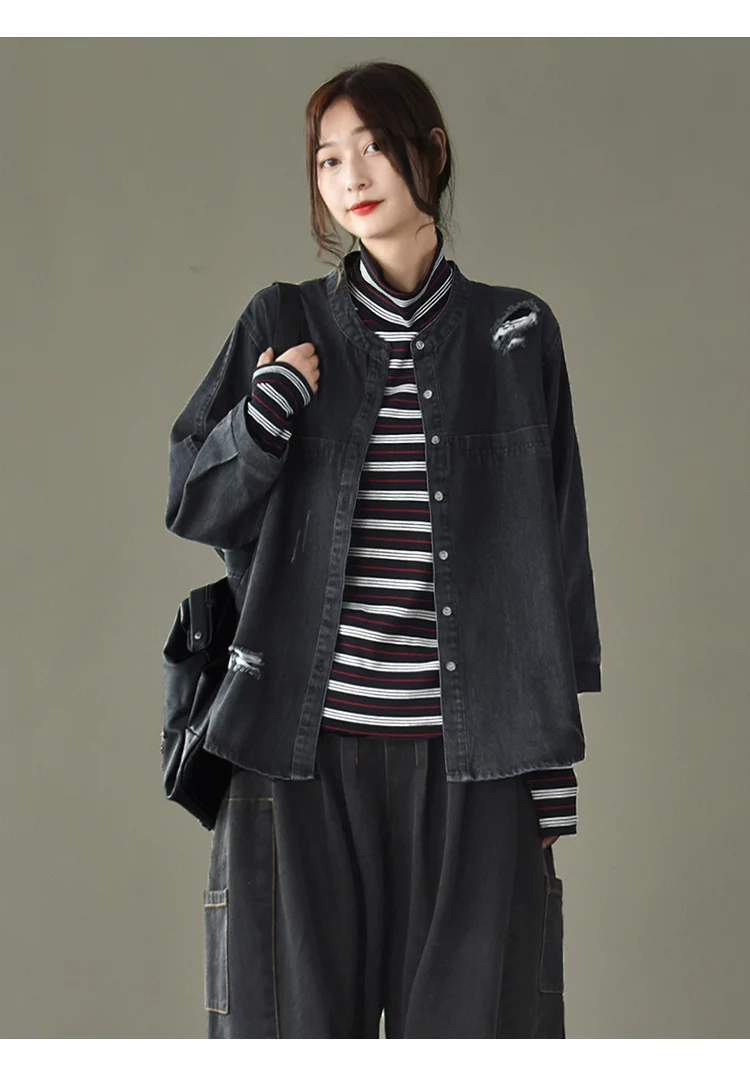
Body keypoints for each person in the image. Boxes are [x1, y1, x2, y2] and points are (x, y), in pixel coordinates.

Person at [165, 61, 602, 1039]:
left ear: (430, 152)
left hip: (477, 764)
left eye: (372, 146)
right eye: (328, 158)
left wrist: (552, 755)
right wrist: (266, 416)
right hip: (296, 762)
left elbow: (557, 542)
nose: (351, 175)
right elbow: (193, 501)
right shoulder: (282, 321)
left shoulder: (517, 331)